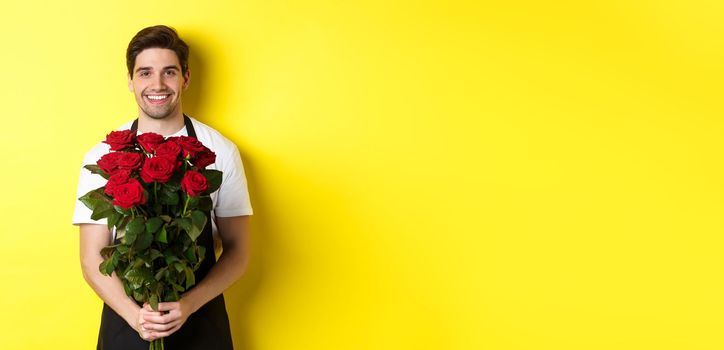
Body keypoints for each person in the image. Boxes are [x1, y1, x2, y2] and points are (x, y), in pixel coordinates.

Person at [72, 25, 253, 350]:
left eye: (169, 72)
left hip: (201, 322)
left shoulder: (220, 151)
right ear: (130, 80)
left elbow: (238, 249)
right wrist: (136, 317)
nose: (157, 85)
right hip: (125, 323)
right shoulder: (102, 155)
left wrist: (189, 304)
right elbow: (91, 257)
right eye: (145, 73)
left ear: (185, 78)